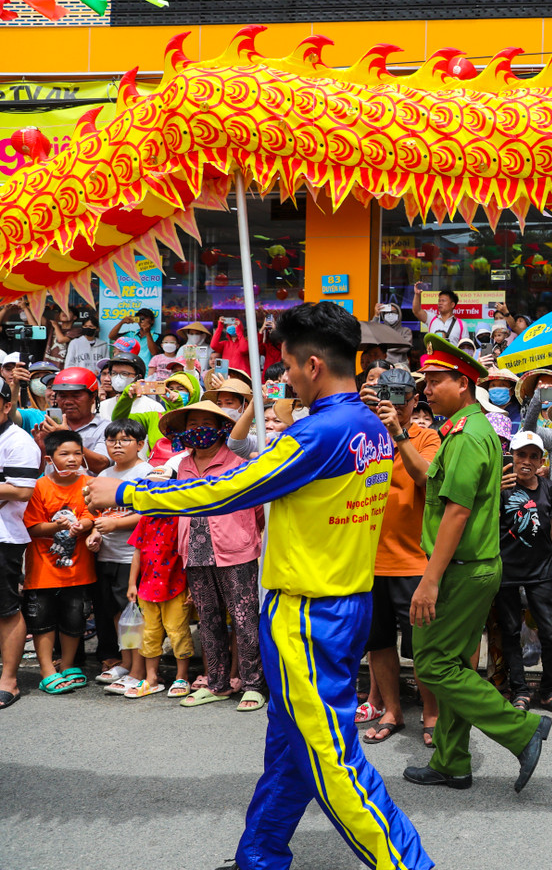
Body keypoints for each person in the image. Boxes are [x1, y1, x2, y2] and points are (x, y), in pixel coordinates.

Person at [84, 301, 432, 869]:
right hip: (342, 604)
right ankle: (261, 857)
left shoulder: (319, 432)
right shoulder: (369, 423)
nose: (285, 377)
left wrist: (127, 494)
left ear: (314, 364)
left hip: (306, 617)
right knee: (290, 753)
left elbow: (229, 489)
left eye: (290, 367)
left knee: (332, 764)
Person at [407, 332, 551, 795]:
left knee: (430, 664)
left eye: (434, 381)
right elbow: (433, 479)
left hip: (459, 570)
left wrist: (429, 580)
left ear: (463, 384)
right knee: (454, 664)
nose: (425, 390)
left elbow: (457, 511)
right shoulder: (465, 431)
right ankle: (452, 761)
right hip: (476, 567)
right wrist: (396, 436)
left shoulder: (468, 436)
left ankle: (519, 729)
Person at [160, 401, 266, 712]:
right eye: (192, 424)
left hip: (236, 551)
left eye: (206, 423)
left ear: (222, 428)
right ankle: (216, 683)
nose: (198, 430)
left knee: (246, 620)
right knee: (209, 621)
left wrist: (253, 540)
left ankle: (253, 685)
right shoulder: (182, 465)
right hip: (194, 551)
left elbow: (257, 507)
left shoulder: (240, 460)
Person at [360, 374, 442, 746]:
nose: (395, 403)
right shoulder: (361, 432)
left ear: (414, 399)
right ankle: (392, 710)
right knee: (378, 644)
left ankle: (431, 712)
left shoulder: (426, 435)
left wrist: (398, 433)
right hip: (367, 560)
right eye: (386, 395)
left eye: (403, 396)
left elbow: (424, 476)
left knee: (422, 648)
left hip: (412, 562)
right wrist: (357, 413)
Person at [495, 430, 552, 716]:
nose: (526, 461)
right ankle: (520, 690)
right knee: (511, 632)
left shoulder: (549, 489)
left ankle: (549, 690)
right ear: (511, 456)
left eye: (533, 456)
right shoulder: (500, 487)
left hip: (541, 572)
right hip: (507, 571)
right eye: (521, 454)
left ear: (541, 461)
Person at [23, 430, 96, 695]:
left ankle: (67, 665)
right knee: (43, 621)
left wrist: (83, 525)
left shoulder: (89, 483)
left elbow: (92, 514)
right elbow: (31, 526)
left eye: (77, 453)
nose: (72, 459)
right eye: (64, 454)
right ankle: (46, 670)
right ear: (49, 458)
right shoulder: (39, 486)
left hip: (80, 570)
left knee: (75, 619)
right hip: (42, 570)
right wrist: (56, 526)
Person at [87, 419, 154, 689]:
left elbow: (151, 513)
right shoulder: (104, 475)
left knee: (135, 614)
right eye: (112, 440)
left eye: (125, 440)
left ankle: (138, 670)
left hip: (133, 557)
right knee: (117, 613)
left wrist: (116, 524)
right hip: (107, 554)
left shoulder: (148, 472)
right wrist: (95, 531)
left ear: (140, 444)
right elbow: (96, 513)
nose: (117, 445)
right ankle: (124, 662)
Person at [123, 498, 194, 699]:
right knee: (149, 634)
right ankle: (151, 678)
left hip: (176, 586)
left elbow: (189, 554)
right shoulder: (146, 519)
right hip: (147, 587)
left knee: (178, 632)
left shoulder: (182, 519)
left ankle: (182, 676)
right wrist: (132, 583)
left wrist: (192, 587)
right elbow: (137, 551)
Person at [0, 381, 40, 709]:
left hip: (4, 537)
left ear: (5, 406)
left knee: (6, 608)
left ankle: (9, 680)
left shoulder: (19, 441)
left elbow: (22, 490)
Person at [37, 367, 111, 473]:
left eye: (76, 395)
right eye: (62, 396)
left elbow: (102, 465)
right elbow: (36, 473)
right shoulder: (49, 427)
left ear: (93, 397)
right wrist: (41, 448)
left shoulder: (106, 428)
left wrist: (65, 436)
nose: (68, 401)